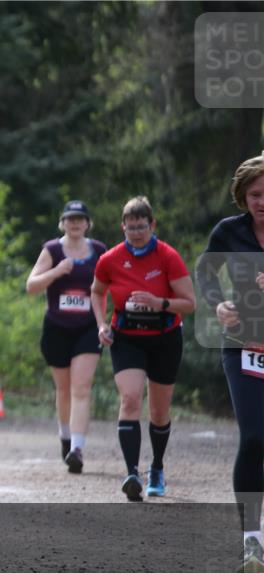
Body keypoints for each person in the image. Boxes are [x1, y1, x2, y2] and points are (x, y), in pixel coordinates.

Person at [91, 196, 196, 501]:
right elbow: (97, 291)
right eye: (130, 227)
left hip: (164, 338)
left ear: (152, 225)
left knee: (159, 411)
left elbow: (190, 304)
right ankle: (132, 473)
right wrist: (101, 324)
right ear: (122, 226)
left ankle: (158, 467)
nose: (136, 233)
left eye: (141, 227)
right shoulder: (110, 258)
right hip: (127, 338)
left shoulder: (167, 256)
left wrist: (160, 303)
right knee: (131, 398)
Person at [195, 154, 264, 573]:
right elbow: (205, 273)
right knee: (254, 437)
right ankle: (251, 541)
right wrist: (216, 304)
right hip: (243, 346)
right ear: (243, 196)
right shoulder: (229, 232)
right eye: (256, 195)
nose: (263, 202)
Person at [26, 200, 106, 474]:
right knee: (64, 390)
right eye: (70, 219)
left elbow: (110, 285)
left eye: (80, 219)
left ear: (87, 223)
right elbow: (31, 286)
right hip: (57, 328)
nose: (75, 223)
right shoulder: (52, 250)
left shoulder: (98, 251)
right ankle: (65, 437)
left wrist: (105, 321)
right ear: (63, 222)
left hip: (87, 328)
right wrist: (58, 271)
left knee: (81, 387)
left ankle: (77, 449)